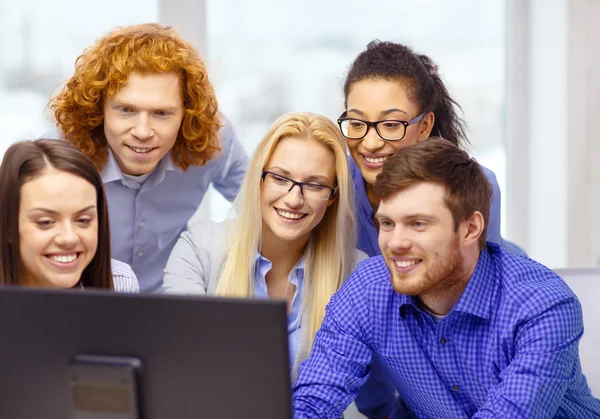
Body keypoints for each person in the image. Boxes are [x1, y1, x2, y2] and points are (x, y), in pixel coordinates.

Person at [292, 138, 600, 418]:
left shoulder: (541, 305)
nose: (395, 243)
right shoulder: (368, 289)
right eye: (387, 223)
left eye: (418, 223)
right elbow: (314, 399)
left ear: (470, 228)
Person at [338, 40, 524, 417]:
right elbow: (366, 318)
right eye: (357, 123)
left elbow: (464, 325)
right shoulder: (333, 187)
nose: (370, 141)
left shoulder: (476, 186)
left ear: (424, 126)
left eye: (391, 124)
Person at [163, 112, 365, 378]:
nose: (294, 199)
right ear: (258, 178)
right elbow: (182, 369)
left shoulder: (357, 275)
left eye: (315, 185)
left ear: (332, 197)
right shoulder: (198, 251)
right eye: (280, 178)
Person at [49, 23, 248, 292]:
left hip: (169, 303)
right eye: (126, 110)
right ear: (100, 109)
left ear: (186, 114)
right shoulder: (56, 152)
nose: (142, 132)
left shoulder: (213, 142)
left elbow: (263, 210)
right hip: (79, 303)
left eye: (161, 113)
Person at [0, 139, 138, 292]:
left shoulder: (121, 284)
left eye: (83, 220)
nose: (69, 238)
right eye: (46, 222)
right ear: (8, 228)